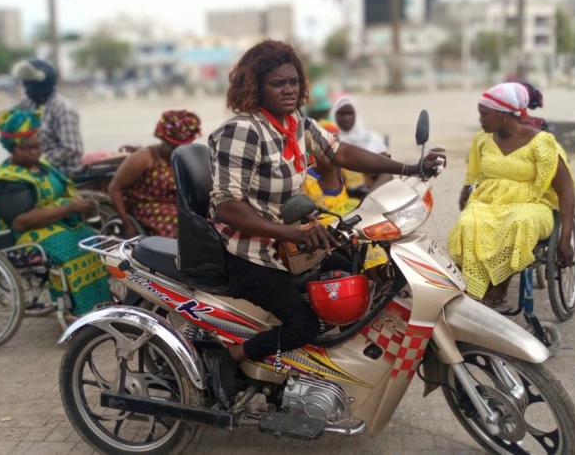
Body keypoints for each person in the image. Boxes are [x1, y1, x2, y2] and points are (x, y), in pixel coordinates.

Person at [206, 39, 446, 407]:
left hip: (295, 243)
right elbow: (227, 206)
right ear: (255, 87)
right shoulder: (242, 131)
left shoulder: (294, 123)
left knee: (353, 271)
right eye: (277, 83)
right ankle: (232, 357)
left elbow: (342, 151)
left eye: (293, 81)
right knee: (303, 325)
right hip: (251, 254)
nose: (289, 89)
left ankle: (325, 367)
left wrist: (410, 168)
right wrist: (291, 232)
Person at [447, 83, 575, 307]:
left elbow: (566, 190)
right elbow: (474, 175)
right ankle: (474, 282)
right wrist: (464, 194)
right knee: (467, 223)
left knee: (518, 222)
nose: (481, 120)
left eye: (484, 114)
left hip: (532, 204)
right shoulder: (482, 140)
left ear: (505, 114)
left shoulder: (541, 142)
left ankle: (500, 284)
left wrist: (565, 238)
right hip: (489, 201)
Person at [0, 109, 111, 318]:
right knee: (70, 250)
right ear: (12, 148)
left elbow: (60, 193)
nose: (34, 152)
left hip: (56, 224)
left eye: (37, 146)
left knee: (94, 242)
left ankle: (97, 305)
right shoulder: (5, 179)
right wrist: (70, 208)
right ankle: (74, 310)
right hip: (24, 235)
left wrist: (77, 203)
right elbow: (21, 222)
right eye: (26, 148)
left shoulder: (42, 166)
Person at [0, 58, 84, 175]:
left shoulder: (63, 109)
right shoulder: (31, 102)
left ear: (41, 86)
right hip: (39, 168)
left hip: (62, 173)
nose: (26, 91)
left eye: (29, 86)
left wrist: (37, 163)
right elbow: (6, 116)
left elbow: (71, 148)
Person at [108, 109, 202, 238]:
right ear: (165, 140)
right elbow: (115, 188)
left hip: (177, 205)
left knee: (208, 220)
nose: (180, 149)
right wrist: (127, 223)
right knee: (182, 226)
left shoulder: (186, 156)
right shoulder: (144, 157)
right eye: (174, 146)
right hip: (146, 206)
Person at [329, 96, 391, 195]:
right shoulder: (330, 139)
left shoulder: (372, 138)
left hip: (373, 191)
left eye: (350, 113)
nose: (346, 118)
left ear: (356, 114)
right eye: (342, 114)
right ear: (334, 115)